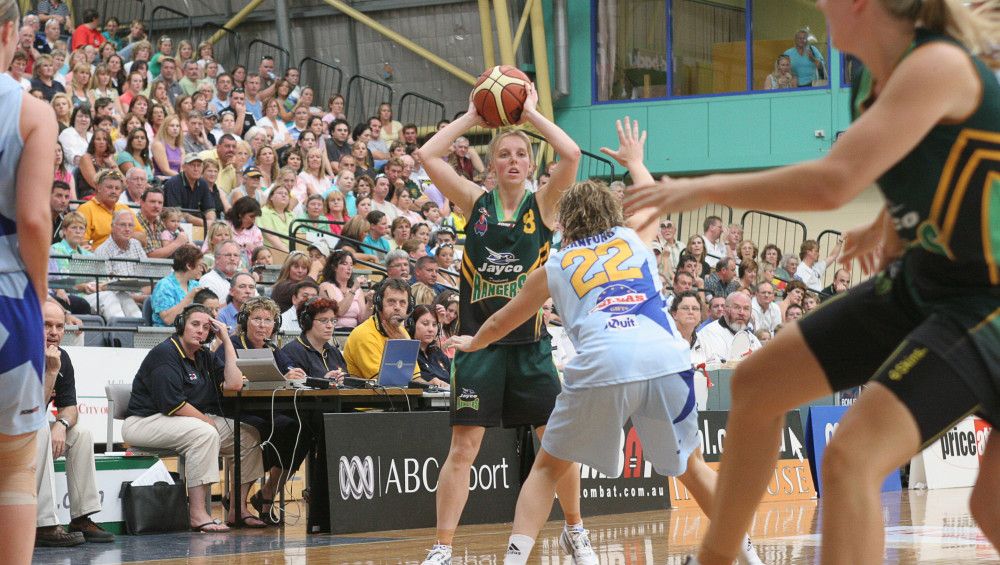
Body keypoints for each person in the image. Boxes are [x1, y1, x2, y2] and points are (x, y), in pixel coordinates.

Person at [625, 2, 1000, 563]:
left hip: (984, 303)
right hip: (926, 284)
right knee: (757, 385)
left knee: (856, 457)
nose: (818, 6)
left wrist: (699, 189)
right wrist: (885, 224)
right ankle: (718, 556)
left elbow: (833, 184)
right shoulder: (874, 81)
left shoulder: (937, 65)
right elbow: (939, 167)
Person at [449, 123, 762, 565]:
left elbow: (501, 320)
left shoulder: (556, 264)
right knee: (692, 467)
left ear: (566, 221)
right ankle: (749, 555)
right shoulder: (633, 238)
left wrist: (472, 340)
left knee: (546, 468)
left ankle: (515, 560)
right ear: (609, 216)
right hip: (665, 358)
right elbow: (651, 195)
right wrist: (634, 161)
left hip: (603, 362)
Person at [414, 81, 592, 565]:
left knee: (554, 445)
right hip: (479, 348)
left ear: (530, 164)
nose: (513, 160)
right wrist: (474, 116)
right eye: (504, 154)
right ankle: (443, 547)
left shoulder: (546, 206)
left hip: (531, 347)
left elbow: (571, 154)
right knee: (463, 449)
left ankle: (575, 530)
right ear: (491, 164)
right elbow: (428, 156)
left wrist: (529, 113)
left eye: (521, 154)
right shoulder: (475, 204)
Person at [123, 304, 265, 532]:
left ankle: (237, 510)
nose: (200, 330)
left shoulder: (205, 356)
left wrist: (227, 341)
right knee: (204, 432)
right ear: (181, 325)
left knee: (247, 435)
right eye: (195, 324)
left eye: (206, 327)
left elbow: (234, 384)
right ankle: (197, 513)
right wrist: (205, 420)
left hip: (188, 421)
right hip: (145, 421)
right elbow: (172, 404)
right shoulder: (165, 353)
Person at [0, 3, 57, 557]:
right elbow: (35, 219)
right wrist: (38, 298)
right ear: (10, 33)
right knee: (14, 469)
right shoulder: (32, 112)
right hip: (7, 294)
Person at [221, 297, 315, 525]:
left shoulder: (272, 347)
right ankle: (238, 497)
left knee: (301, 429)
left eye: (268, 320)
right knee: (267, 429)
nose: (263, 325)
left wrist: (294, 373)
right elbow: (229, 383)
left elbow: (290, 369)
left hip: (267, 410)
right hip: (235, 411)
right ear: (245, 321)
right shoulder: (233, 345)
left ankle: (267, 493)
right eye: (257, 319)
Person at [35, 302, 113, 546]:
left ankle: (81, 516)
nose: (54, 332)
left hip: (31, 427)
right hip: (12, 428)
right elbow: (31, 410)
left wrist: (62, 424)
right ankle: (44, 523)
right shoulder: (17, 353)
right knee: (40, 429)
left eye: (59, 326)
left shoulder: (61, 356)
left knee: (81, 434)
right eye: (47, 325)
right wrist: (50, 372)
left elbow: (70, 407)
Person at [342, 278, 419, 380]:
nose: (397, 307)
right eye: (391, 301)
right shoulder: (364, 334)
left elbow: (415, 379)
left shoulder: (402, 332)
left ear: (409, 307)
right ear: (379, 303)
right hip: (371, 395)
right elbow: (383, 382)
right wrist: (402, 348)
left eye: (402, 302)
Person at [280, 296, 347, 382]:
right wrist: (324, 381)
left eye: (333, 320)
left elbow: (347, 382)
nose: (330, 326)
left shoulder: (334, 352)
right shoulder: (292, 352)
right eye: (323, 320)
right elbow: (297, 389)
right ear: (307, 322)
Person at [692, 292, 762, 365]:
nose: (741, 313)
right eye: (736, 307)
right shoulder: (705, 335)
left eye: (746, 308)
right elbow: (697, 368)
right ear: (725, 310)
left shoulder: (754, 341)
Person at [150, 245, 203, 326]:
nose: (202, 269)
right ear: (189, 266)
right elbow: (168, 320)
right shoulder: (164, 286)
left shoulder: (195, 284)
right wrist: (189, 298)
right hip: (166, 335)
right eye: (199, 265)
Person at [318, 249, 369, 330]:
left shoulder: (358, 290)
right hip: (334, 332)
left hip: (353, 333)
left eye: (351, 265)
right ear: (334, 267)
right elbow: (339, 311)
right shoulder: (326, 287)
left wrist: (370, 302)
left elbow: (362, 320)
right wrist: (353, 289)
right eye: (345, 264)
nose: (349, 268)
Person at [163, 153, 217, 227]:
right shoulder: (173, 183)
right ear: (184, 167)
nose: (196, 169)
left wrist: (210, 222)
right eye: (192, 165)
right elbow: (176, 213)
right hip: (174, 223)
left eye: (199, 165)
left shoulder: (203, 183)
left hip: (196, 222)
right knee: (181, 221)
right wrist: (203, 223)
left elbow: (209, 209)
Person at [408, 304, 450, 388]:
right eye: (425, 324)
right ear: (413, 325)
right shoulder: (407, 353)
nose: (431, 329)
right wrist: (428, 383)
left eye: (434, 325)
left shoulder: (437, 352)